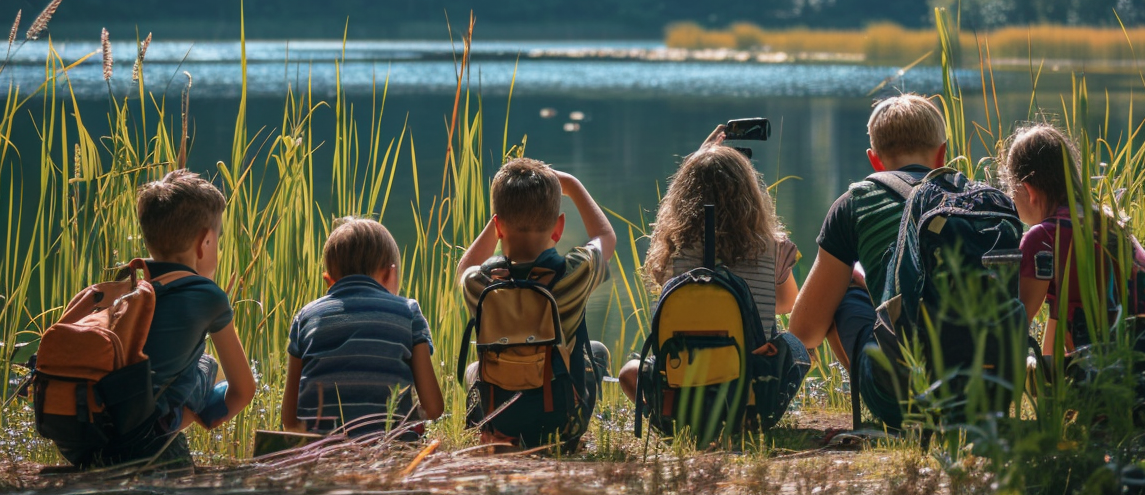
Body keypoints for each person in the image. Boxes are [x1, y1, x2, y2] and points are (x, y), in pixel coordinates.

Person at [618, 129, 808, 425]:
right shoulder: (775, 247)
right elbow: (786, 304)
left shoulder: (672, 250)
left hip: (686, 380)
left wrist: (697, 159)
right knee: (794, 345)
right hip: (749, 386)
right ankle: (752, 416)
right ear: (751, 193)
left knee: (629, 372)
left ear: (681, 195)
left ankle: (671, 417)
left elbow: (662, 284)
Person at [1002, 123, 1145, 402]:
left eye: (1013, 192)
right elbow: (1058, 317)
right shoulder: (1106, 221)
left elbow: (1016, 323)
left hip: (1125, 371)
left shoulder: (1043, 236)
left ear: (1028, 190)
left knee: (1014, 361)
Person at [788, 94, 949, 429]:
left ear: (874, 161)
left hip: (903, 403)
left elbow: (804, 333)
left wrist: (865, 284)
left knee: (840, 286)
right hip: (987, 392)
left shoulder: (855, 203)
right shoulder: (976, 198)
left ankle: (882, 394)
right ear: (942, 154)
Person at [457, 158, 616, 446]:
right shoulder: (573, 274)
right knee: (597, 351)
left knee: (473, 370)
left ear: (498, 227)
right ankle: (570, 433)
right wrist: (573, 186)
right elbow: (605, 237)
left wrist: (501, 217)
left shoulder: (479, 285)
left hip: (502, 419)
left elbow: (463, 269)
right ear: (558, 229)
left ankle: (492, 432)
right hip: (560, 425)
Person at [134, 169, 256, 461]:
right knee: (206, 364)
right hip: (153, 448)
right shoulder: (207, 296)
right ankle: (173, 424)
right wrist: (200, 415)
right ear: (206, 243)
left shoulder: (131, 289)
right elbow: (243, 390)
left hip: (100, 433)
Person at [281, 217, 444, 436]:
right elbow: (434, 408)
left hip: (321, 450)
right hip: (391, 448)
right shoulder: (408, 312)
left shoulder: (305, 318)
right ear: (390, 274)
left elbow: (289, 421)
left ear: (329, 280)